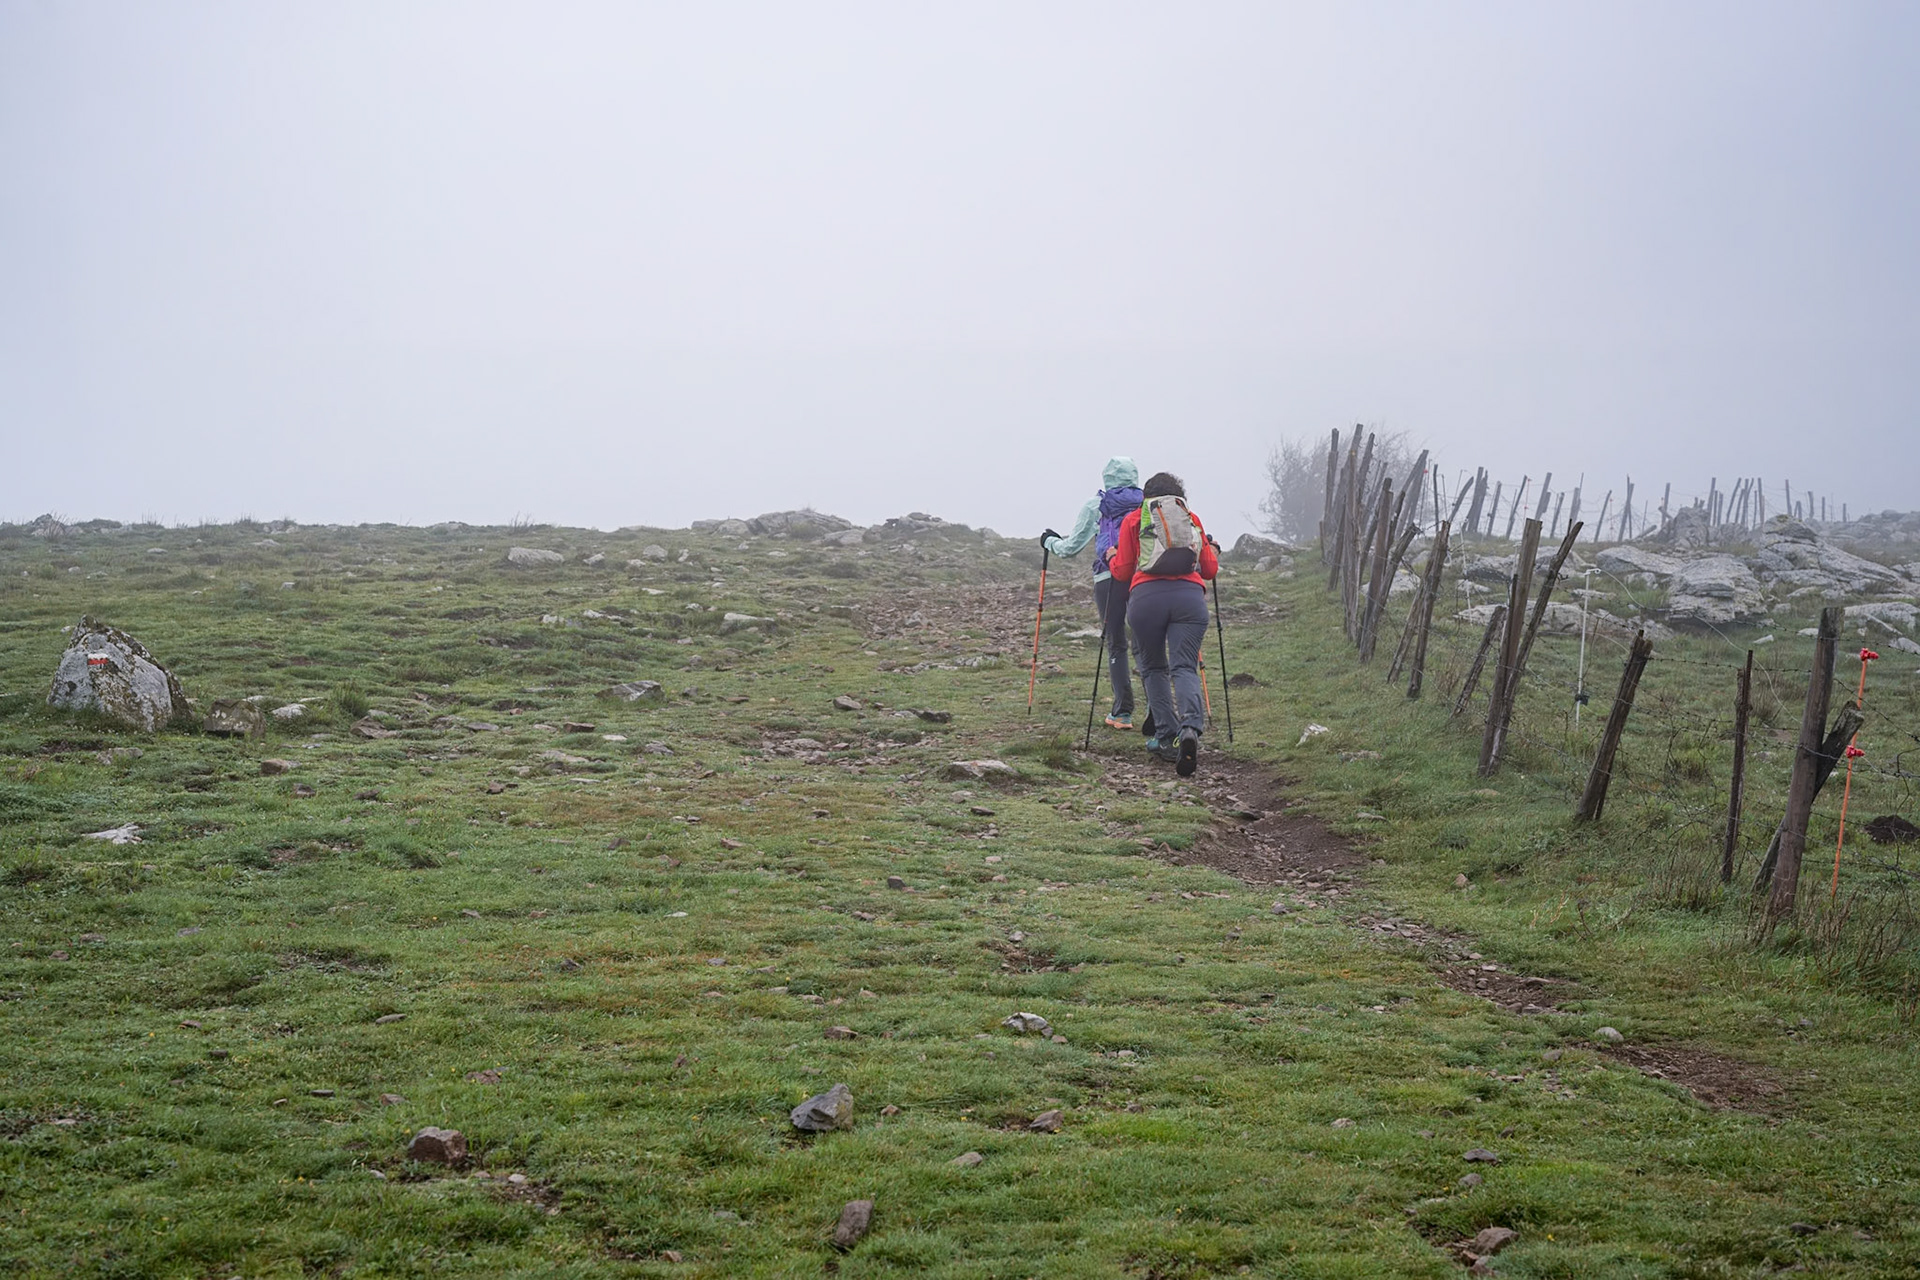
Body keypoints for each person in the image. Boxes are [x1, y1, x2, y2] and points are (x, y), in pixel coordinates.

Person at [1108, 471, 1219, 777]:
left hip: (1146, 600)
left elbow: (1122, 572)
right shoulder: (1190, 516)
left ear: (1146, 496)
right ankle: (1190, 730)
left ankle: (1166, 736)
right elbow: (1209, 569)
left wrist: (1112, 557)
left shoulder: (1134, 519)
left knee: (1154, 667)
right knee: (1184, 667)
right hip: (1189, 599)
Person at [1042, 457, 1144, 729]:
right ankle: (1159, 714)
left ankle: (1122, 712)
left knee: (1116, 642)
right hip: (1143, 578)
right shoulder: (1148, 504)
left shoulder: (1096, 505)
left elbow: (1071, 548)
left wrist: (1050, 542)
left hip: (1107, 578)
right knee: (1145, 642)